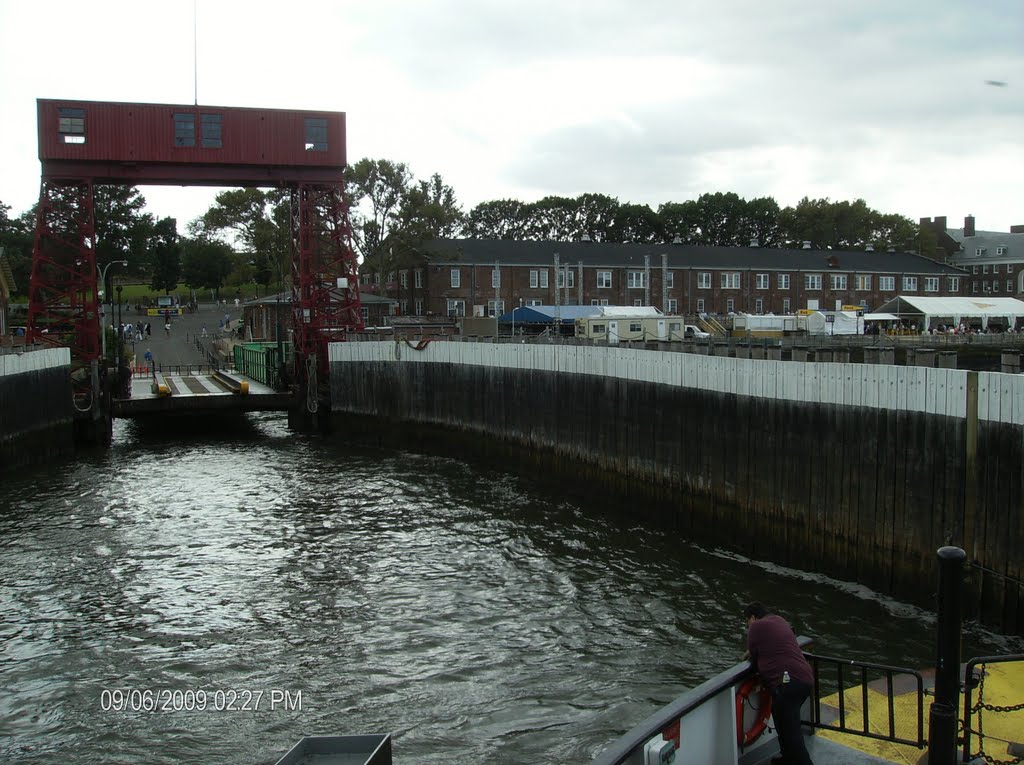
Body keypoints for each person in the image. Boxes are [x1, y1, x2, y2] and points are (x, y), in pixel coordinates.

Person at [744, 603, 815, 765]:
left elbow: (754, 656)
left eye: (746, 621)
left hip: (789, 683)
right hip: (804, 678)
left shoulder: (756, 627)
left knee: (792, 734)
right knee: (780, 719)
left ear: (753, 617)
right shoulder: (779, 620)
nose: (747, 626)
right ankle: (787, 759)